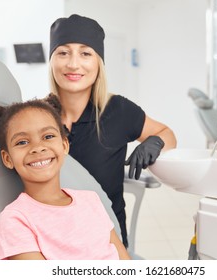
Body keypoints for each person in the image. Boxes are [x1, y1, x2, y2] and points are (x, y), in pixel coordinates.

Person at [48, 14, 177, 247]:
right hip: (51, 239)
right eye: (63, 53)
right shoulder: (37, 116)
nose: (73, 64)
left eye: (85, 53)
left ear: (98, 62)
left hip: (106, 242)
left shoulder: (118, 110)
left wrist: (155, 142)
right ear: (52, 60)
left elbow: (168, 134)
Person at [0, 95, 130, 260]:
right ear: (8, 159)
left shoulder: (91, 200)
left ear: (64, 145)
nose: (38, 148)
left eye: (48, 137)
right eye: (22, 142)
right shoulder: (16, 219)